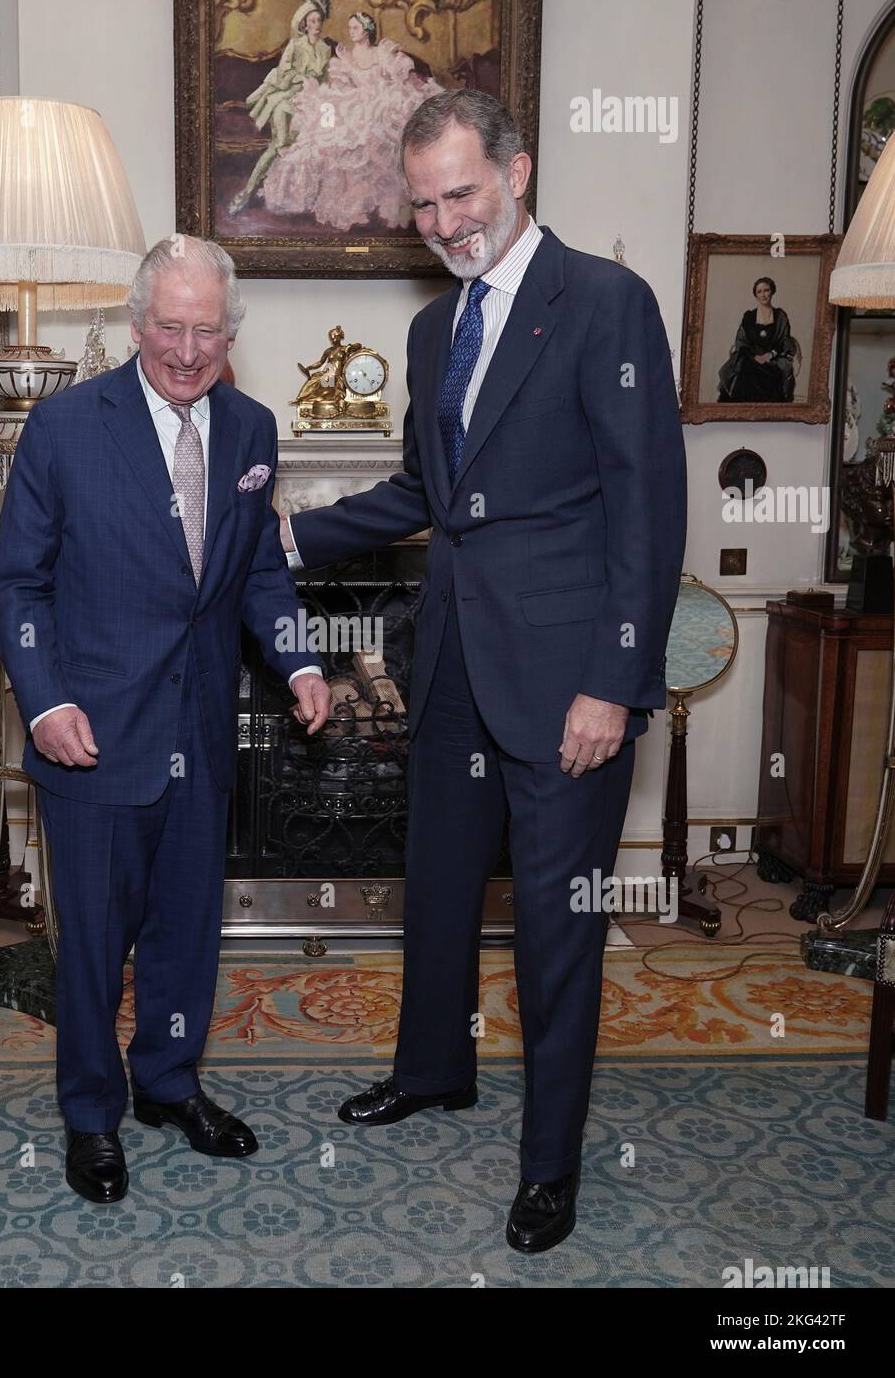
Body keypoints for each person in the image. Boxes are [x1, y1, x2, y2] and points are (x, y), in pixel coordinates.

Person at [281, 89, 687, 1252]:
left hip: (567, 680)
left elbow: (645, 514)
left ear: (516, 172)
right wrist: (295, 535)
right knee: (438, 891)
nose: (445, 221)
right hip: (451, 658)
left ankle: (550, 1164)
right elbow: (427, 494)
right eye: (422, 205)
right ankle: (432, 1072)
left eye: (460, 192)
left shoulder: (606, 304)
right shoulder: (433, 329)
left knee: (559, 930)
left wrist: (613, 683)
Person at [0, 235, 332, 1204]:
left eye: (207, 330)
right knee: (95, 937)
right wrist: (46, 699)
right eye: (170, 327)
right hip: (90, 731)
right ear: (137, 324)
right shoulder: (62, 427)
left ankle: (168, 1085)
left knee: (186, 931)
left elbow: (256, 568)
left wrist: (299, 658)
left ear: (231, 332)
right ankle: (91, 1113)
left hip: (199, 729)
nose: (187, 349)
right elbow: (17, 583)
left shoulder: (253, 428)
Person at [262, 11, 443, 230]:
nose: (351, 32)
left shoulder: (381, 52)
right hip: (355, 104)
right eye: (349, 28)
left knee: (377, 128)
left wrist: (386, 89)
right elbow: (341, 86)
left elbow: (398, 76)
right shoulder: (345, 57)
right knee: (327, 133)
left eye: (355, 28)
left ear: (366, 30)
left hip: (381, 101)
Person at [229, 0, 333, 216]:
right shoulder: (295, 45)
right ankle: (246, 193)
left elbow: (326, 79)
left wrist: (322, 88)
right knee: (278, 144)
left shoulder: (325, 49)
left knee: (316, 144)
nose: (316, 25)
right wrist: (302, 77)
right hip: (286, 100)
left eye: (319, 20)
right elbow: (283, 72)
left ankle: (299, 196)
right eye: (312, 21)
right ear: (304, 24)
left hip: (312, 103)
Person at [717, 276, 800, 401]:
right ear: (755, 295)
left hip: (774, 359)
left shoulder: (780, 316)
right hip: (750, 357)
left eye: (766, 290)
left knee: (775, 374)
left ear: (772, 291)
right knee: (743, 370)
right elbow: (741, 342)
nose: (763, 295)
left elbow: (785, 341)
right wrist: (754, 356)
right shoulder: (749, 316)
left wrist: (769, 355)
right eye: (759, 292)